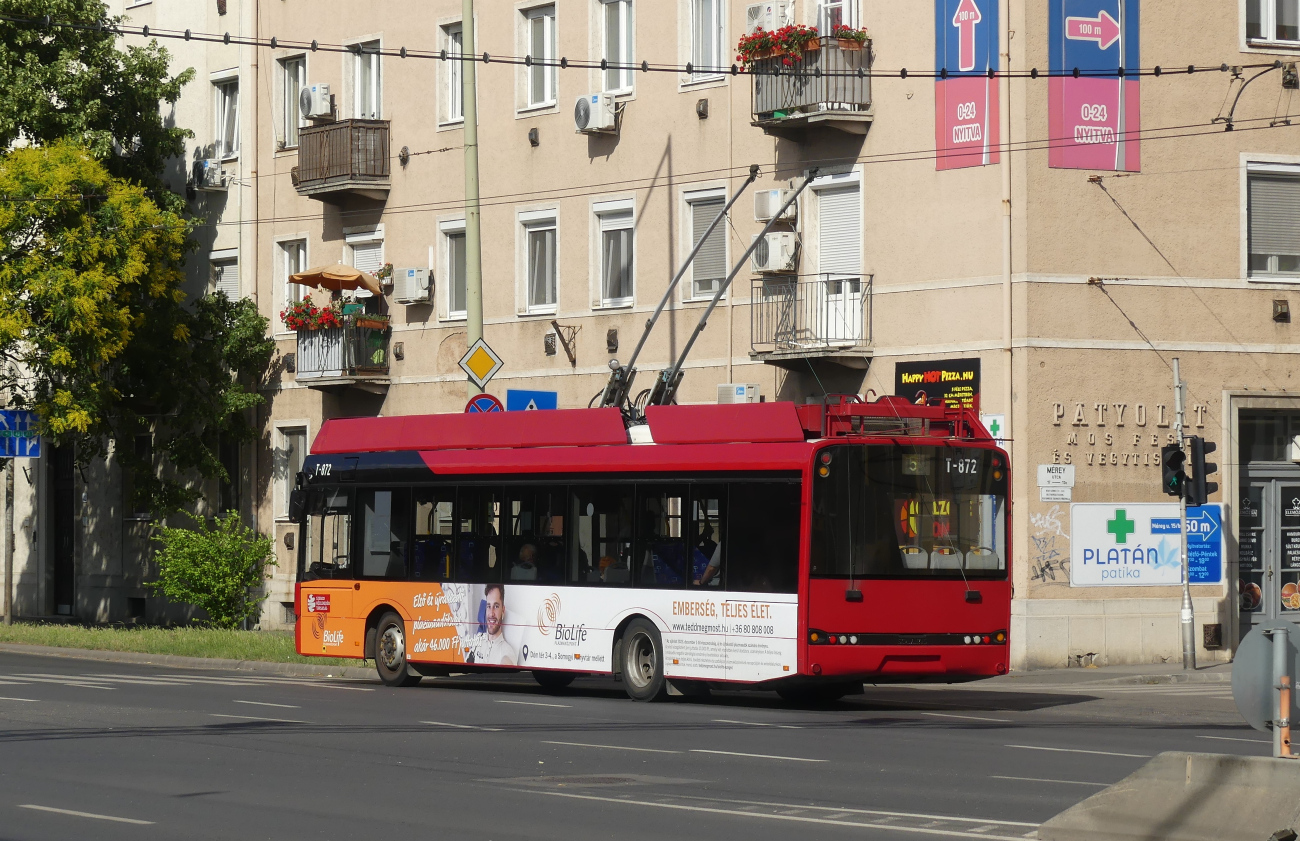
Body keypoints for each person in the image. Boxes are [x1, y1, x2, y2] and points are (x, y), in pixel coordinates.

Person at [472, 584, 516, 666]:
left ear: (503, 611)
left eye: (496, 606)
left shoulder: (506, 653)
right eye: (489, 606)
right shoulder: (478, 640)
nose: (491, 613)